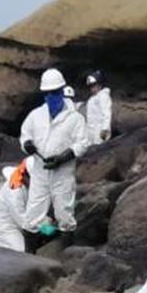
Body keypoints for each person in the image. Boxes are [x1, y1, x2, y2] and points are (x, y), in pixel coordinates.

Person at [20, 68, 90, 236]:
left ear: (61, 92)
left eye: (54, 93)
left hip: (62, 173)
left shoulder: (75, 118)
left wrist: (63, 157)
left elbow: (83, 143)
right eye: (47, 93)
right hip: (40, 171)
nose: (51, 97)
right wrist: (27, 144)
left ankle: (64, 247)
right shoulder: (35, 115)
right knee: (33, 214)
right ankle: (32, 248)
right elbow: (24, 135)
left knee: (64, 213)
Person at [0, 164, 31, 252]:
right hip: (4, 224)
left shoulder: (29, 186)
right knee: (21, 250)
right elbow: (20, 217)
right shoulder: (14, 190)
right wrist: (41, 226)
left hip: (17, 222)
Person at [84, 71, 113, 145]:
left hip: (100, 131)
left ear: (100, 85)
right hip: (92, 131)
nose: (91, 88)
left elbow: (107, 113)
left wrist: (105, 128)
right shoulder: (92, 98)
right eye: (90, 86)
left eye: (94, 85)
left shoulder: (103, 96)